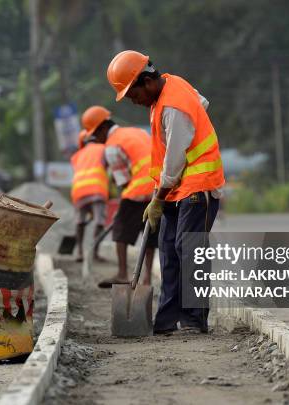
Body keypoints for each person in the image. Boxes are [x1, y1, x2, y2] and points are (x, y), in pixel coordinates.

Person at [107, 50, 225, 334]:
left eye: (133, 95)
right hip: (176, 187)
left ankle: (195, 320)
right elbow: (203, 103)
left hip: (198, 184)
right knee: (169, 251)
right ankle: (167, 320)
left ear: (145, 82)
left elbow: (174, 158)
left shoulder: (173, 107)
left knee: (189, 249)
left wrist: (157, 198)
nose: (134, 102)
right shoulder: (170, 88)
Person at [79, 105, 158, 288]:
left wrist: (121, 208)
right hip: (159, 189)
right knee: (149, 233)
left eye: (96, 136)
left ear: (103, 129)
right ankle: (146, 279)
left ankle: (123, 274)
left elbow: (123, 181)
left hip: (139, 189)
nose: (97, 141)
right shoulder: (135, 131)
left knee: (120, 229)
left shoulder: (112, 146)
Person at [70, 129, 109, 262]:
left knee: (80, 221)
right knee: (99, 221)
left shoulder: (76, 155)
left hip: (79, 191)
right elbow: (109, 167)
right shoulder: (103, 148)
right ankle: (94, 253)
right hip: (97, 189)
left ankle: (79, 252)